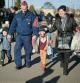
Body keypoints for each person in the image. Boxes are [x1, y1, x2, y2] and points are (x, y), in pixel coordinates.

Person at [8, 1, 38, 69]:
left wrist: (35, 34)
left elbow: (35, 25)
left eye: (25, 6)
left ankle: (28, 62)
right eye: (22, 6)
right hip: (19, 36)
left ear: (27, 7)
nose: (24, 8)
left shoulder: (32, 15)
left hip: (28, 36)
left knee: (28, 50)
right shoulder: (17, 15)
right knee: (16, 49)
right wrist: (10, 33)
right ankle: (18, 64)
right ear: (21, 7)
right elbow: (13, 25)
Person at [49, 5, 77, 75]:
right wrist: (46, 30)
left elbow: (75, 27)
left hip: (68, 38)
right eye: (59, 11)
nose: (60, 12)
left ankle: (65, 70)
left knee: (67, 54)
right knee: (60, 54)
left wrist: (78, 30)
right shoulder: (57, 19)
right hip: (60, 38)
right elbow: (54, 28)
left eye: (61, 11)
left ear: (65, 11)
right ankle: (62, 61)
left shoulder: (71, 19)